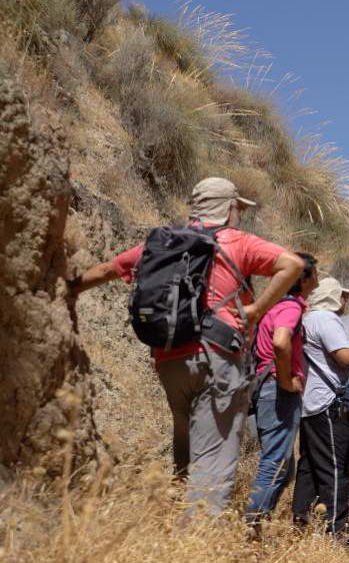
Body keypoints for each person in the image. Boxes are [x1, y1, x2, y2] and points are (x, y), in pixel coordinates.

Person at [67, 177, 304, 515]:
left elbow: (108, 269)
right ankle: (198, 539)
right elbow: (292, 264)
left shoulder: (162, 243)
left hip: (168, 359)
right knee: (214, 457)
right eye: (238, 208)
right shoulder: (236, 241)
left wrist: (65, 289)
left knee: (186, 444)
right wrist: (255, 310)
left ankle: (175, 513)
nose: (239, 214)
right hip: (217, 357)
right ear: (229, 208)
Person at [246, 251, 319, 526]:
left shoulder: (275, 305)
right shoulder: (290, 307)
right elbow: (280, 342)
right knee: (274, 465)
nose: (318, 276)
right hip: (278, 391)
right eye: (316, 272)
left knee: (283, 468)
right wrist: (287, 379)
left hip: (268, 389)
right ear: (304, 279)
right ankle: (249, 528)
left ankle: (257, 523)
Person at [292, 276, 349, 535]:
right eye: (341, 294)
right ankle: (337, 529)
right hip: (329, 404)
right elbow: (343, 358)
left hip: (309, 404)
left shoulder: (306, 320)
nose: (344, 300)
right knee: (335, 467)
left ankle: (301, 523)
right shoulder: (326, 319)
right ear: (331, 296)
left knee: (309, 466)